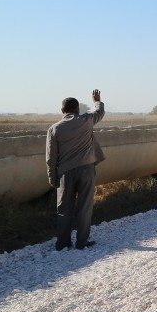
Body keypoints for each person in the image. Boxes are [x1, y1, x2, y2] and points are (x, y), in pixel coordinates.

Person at [46, 89, 106, 250]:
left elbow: (50, 157)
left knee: (64, 209)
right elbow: (99, 112)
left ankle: (63, 243)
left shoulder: (54, 129)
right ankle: (81, 242)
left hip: (65, 173)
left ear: (62, 111)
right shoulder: (86, 120)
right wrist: (96, 100)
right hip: (86, 170)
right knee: (85, 207)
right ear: (77, 109)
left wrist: (52, 178)